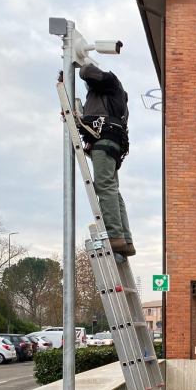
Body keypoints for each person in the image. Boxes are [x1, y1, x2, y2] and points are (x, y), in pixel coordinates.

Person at [78, 63, 135, 258]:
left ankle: (114, 234)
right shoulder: (115, 99)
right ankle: (125, 240)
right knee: (112, 189)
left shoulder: (111, 83)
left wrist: (81, 61)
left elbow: (86, 71)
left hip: (104, 142)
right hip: (112, 143)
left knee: (104, 186)